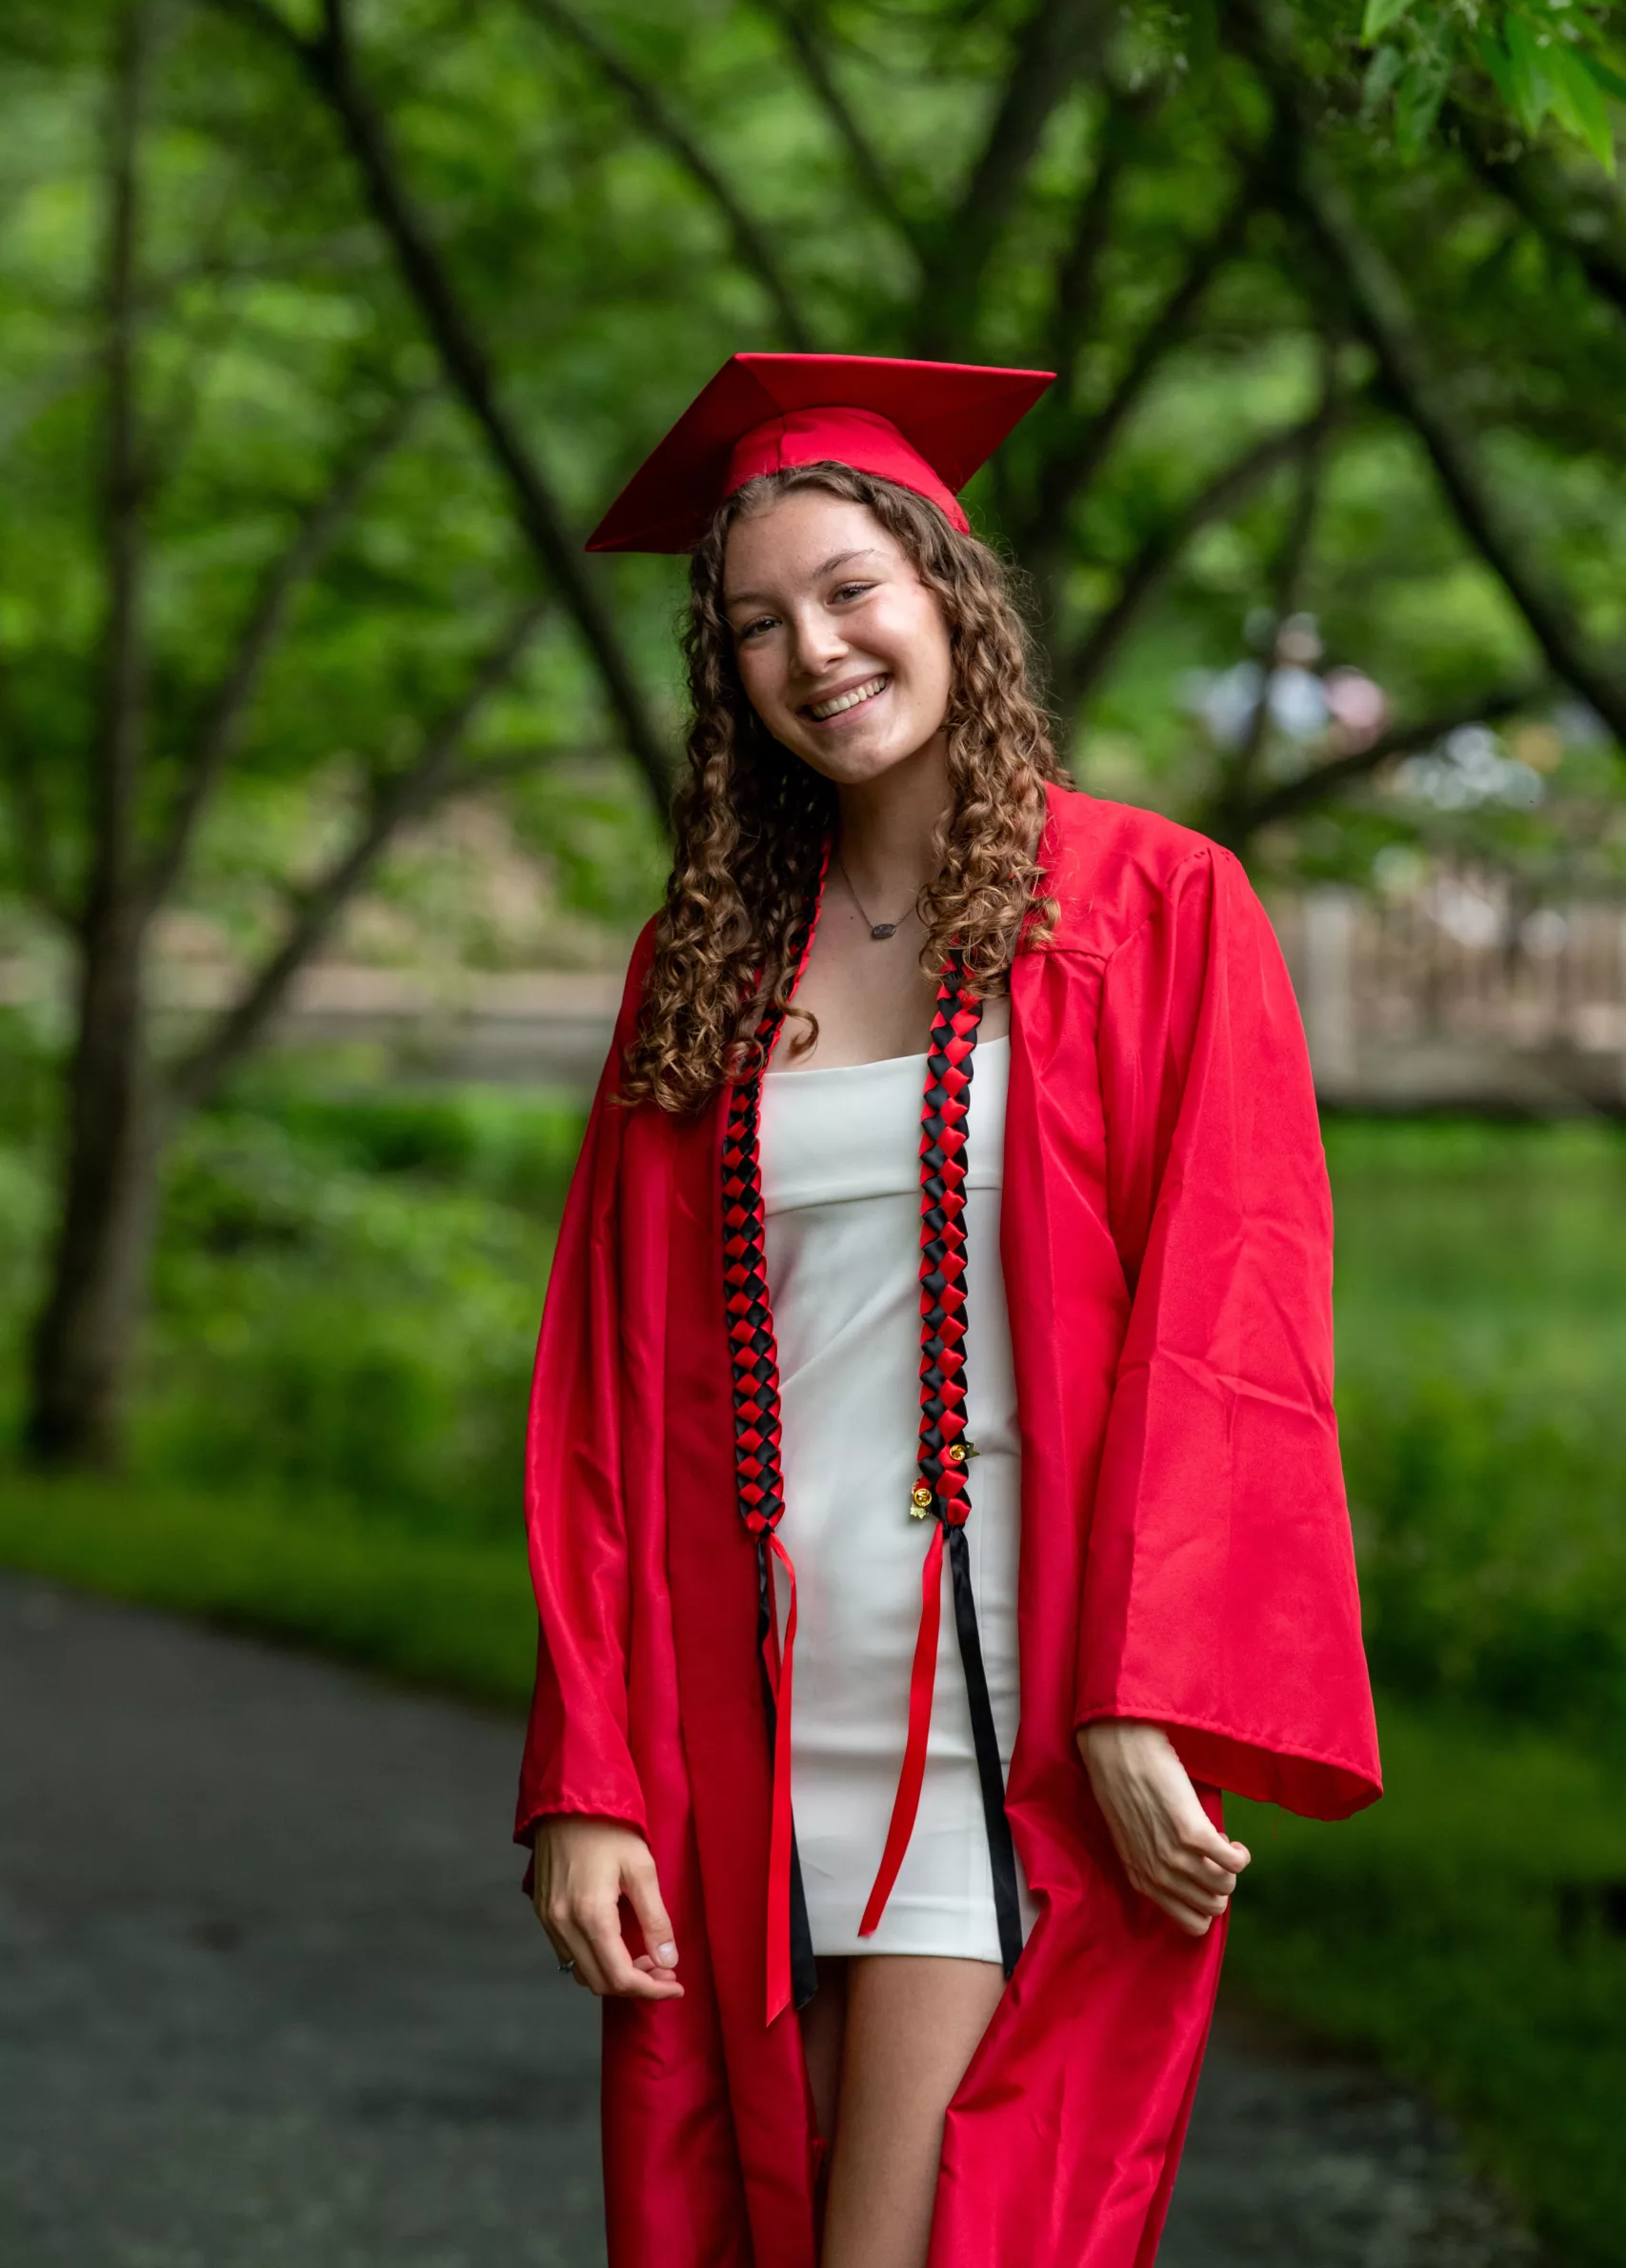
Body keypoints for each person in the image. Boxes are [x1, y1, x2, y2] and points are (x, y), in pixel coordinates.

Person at [516, 352, 1381, 2268]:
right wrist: (587, 1776)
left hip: (994, 1696)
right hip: (734, 1705)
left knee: (914, 2234)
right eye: (755, 623)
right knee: (737, 2213)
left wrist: (1148, 1684)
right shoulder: (707, 956)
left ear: (947, 592)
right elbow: (599, 1383)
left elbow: (1232, 1322)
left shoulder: (1157, 906)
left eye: (850, 590)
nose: (812, 648)